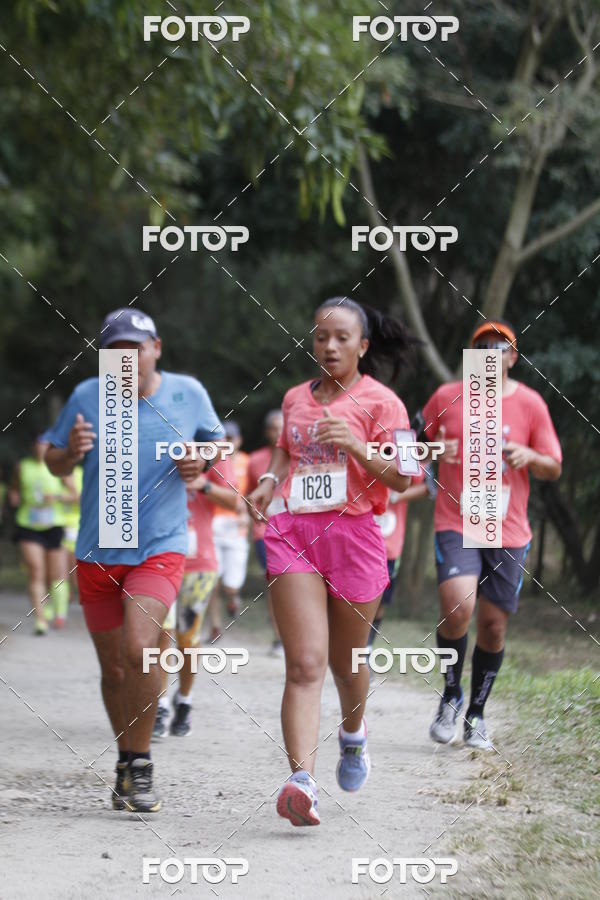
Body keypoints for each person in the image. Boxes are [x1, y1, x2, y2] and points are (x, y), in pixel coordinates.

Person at [45, 308, 223, 812]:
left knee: (141, 647)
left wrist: (202, 460)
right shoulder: (86, 396)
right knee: (115, 669)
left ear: (156, 348)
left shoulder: (187, 392)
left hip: (160, 548)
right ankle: (126, 762)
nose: (127, 357)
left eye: (136, 347)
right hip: (98, 551)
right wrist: (69, 453)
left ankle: (141, 763)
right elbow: (52, 456)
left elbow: (218, 445)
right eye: (115, 350)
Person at [248, 297, 417, 827]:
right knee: (303, 665)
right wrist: (270, 480)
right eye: (321, 336)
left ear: (363, 346)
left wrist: (359, 447)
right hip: (294, 531)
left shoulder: (385, 403)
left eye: (342, 337)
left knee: (348, 664)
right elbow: (283, 449)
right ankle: (301, 782)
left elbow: (406, 477)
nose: (329, 346)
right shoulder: (296, 396)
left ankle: (353, 735)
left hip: (355, 535)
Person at [423, 320, 562, 750]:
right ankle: (450, 694)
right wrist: (431, 451)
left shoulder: (531, 404)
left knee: (494, 625)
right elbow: (409, 446)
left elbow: (553, 466)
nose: (490, 353)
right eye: (481, 346)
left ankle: (477, 714)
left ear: (513, 357)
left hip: (508, 528)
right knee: (457, 604)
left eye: (499, 347)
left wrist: (530, 455)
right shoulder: (447, 398)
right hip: (457, 520)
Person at [153, 451, 238, 739]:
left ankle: (184, 700)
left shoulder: (214, 453)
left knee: (188, 637)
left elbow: (235, 501)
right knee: (161, 633)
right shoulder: (156, 447)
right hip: (159, 559)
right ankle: (160, 704)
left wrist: (201, 484)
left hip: (198, 563)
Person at [9, 436, 73, 633]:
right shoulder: (23, 466)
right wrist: (14, 498)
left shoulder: (57, 466)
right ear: (32, 446)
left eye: (44, 445)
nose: (40, 448)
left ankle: (58, 611)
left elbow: (75, 495)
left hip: (54, 525)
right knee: (36, 570)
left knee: (55, 574)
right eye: (37, 444)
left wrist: (56, 497)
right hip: (28, 525)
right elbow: (14, 490)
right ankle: (40, 619)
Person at [367, 466, 428, 655]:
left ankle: (366, 650)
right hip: (355, 536)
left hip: (389, 541)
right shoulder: (358, 438)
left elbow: (427, 486)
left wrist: (394, 496)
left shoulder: (404, 441)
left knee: (380, 601)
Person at [246, 409, 285, 655]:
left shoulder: (301, 456)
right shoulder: (256, 460)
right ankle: (279, 637)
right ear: (267, 431)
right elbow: (248, 494)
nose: (279, 432)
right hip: (266, 531)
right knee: (276, 584)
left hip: (299, 530)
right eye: (274, 427)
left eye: (283, 427)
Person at [209, 420, 250, 638]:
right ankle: (215, 626)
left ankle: (233, 598)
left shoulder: (247, 462)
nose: (228, 442)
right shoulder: (211, 461)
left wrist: (248, 514)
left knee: (231, 585)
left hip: (236, 528)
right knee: (211, 580)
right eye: (224, 439)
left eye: (232, 438)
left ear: (239, 440)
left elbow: (255, 492)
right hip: (213, 524)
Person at [60, 463, 83, 608]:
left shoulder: (81, 472)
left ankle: (81, 600)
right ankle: (58, 611)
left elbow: (83, 501)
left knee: (74, 572)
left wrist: (70, 485)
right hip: (55, 526)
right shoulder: (51, 472)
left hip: (76, 527)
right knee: (58, 572)